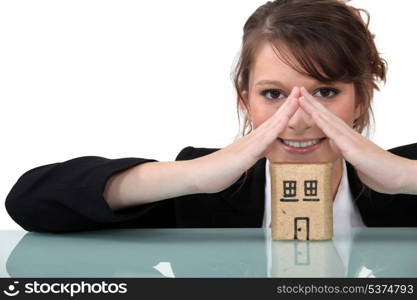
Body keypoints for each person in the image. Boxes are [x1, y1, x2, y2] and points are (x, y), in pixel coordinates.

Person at [5, 0, 417, 233]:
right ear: (245, 102)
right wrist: (195, 176)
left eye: (325, 92)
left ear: (360, 101)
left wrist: (404, 177)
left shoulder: (408, 176)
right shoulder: (206, 190)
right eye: (273, 94)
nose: (298, 118)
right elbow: (30, 201)